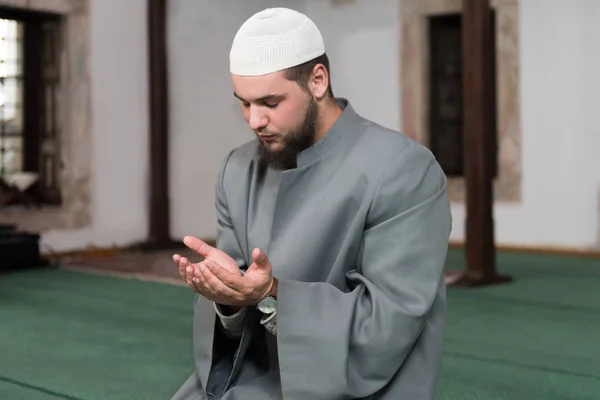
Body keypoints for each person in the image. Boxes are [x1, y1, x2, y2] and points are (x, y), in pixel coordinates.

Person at [171, 7, 452, 400]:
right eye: (244, 103)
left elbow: (386, 328)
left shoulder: (403, 170)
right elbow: (234, 322)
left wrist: (270, 293)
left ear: (317, 81)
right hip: (246, 380)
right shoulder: (236, 170)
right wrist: (226, 297)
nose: (254, 120)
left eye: (269, 102)